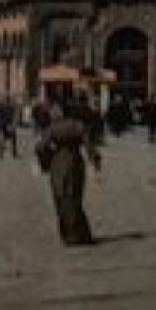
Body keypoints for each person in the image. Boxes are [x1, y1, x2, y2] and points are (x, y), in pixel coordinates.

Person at [35, 101, 101, 246]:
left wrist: (45, 163)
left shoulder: (52, 129)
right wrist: (95, 162)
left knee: (61, 198)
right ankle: (81, 233)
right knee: (75, 198)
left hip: (58, 164)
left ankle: (69, 234)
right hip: (76, 162)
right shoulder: (78, 125)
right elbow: (89, 145)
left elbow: (40, 147)